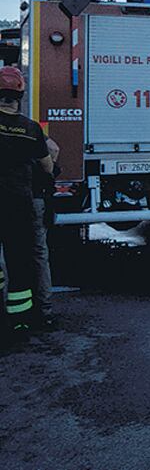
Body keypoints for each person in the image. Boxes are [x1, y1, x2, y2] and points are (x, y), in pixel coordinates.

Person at [0, 66, 53, 343]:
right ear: (19, 96)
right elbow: (47, 164)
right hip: (18, 204)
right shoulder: (30, 128)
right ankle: (20, 320)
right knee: (19, 261)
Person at [31, 136, 59, 329]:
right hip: (33, 196)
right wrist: (47, 174)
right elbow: (53, 149)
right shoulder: (29, 128)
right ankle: (44, 310)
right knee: (39, 252)